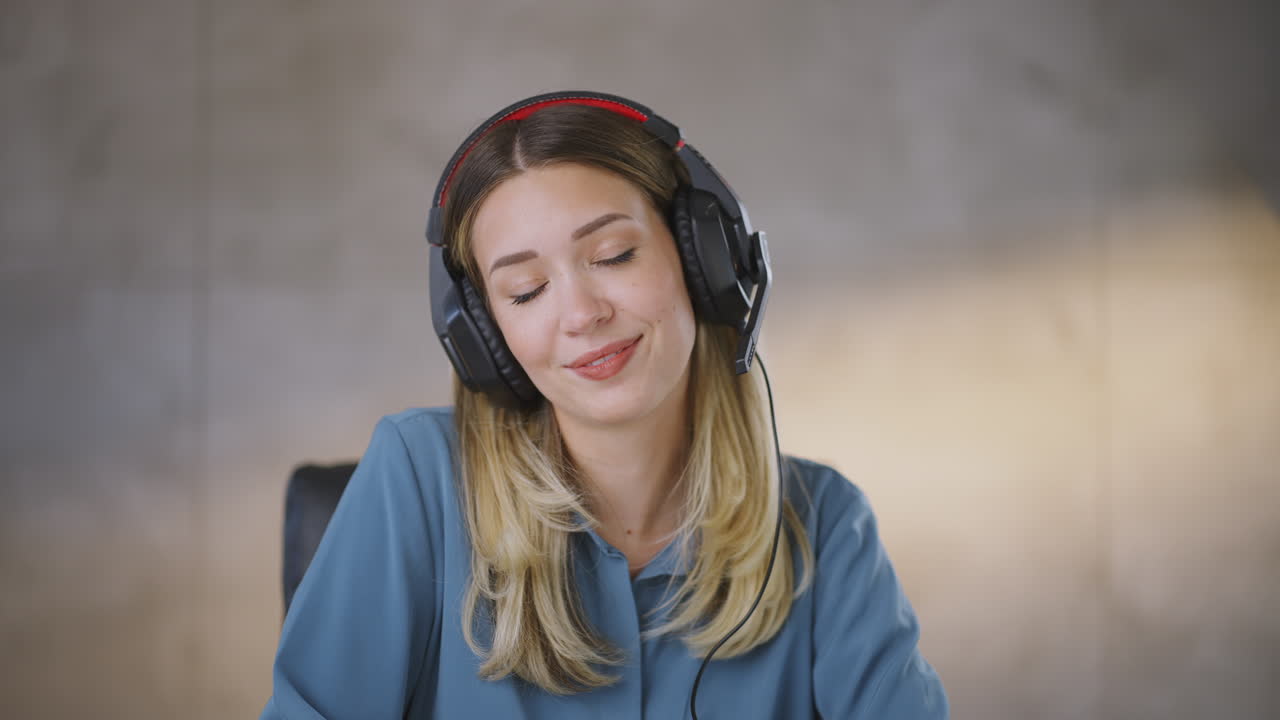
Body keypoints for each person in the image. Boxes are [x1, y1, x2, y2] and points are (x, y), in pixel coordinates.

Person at [260, 92, 948, 719]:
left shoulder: (822, 523)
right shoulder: (418, 478)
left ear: (702, 260)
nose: (582, 314)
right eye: (527, 291)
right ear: (485, 340)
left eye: (614, 255)